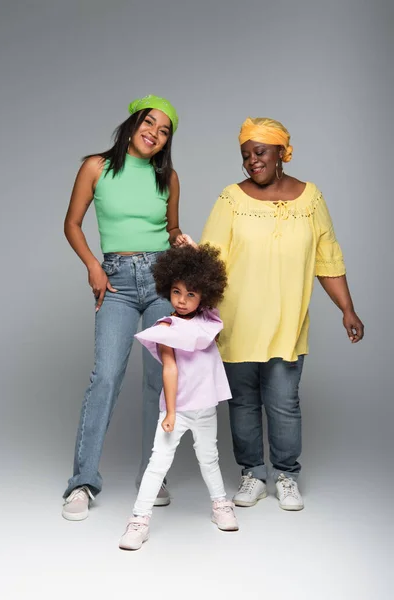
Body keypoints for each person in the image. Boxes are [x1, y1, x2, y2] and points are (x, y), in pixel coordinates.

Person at [180, 117, 364, 511]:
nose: (251, 161)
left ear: (282, 151)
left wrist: (347, 308)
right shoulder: (232, 199)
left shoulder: (311, 199)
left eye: (259, 152)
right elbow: (210, 260)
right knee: (243, 402)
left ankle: (286, 475)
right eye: (245, 155)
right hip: (237, 321)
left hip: (287, 322)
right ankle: (252, 474)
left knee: (284, 402)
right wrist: (198, 315)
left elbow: (327, 256)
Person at [62, 95, 182, 520]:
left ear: (167, 141)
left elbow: (170, 230)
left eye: (164, 130)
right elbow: (72, 223)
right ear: (133, 123)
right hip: (114, 280)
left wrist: (180, 239)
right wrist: (94, 266)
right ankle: (82, 483)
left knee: (158, 379)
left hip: (161, 280)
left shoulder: (167, 177)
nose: (154, 132)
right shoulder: (97, 167)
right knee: (106, 377)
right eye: (149, 122)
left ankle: (154, 474)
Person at [119, 244, 239, 551]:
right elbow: (169, 370)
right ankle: (139, 520)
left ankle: (220, 505)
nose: (182, 301)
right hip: (178, 409)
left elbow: (211, 269)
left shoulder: (209, 319)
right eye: (176, 292)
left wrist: (196, 251)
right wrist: (171, 412)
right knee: (158, 463)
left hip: (206, 407)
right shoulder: (166, 328)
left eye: (191, 294)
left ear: (204, 295)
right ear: (167, 289)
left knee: (209, 458)